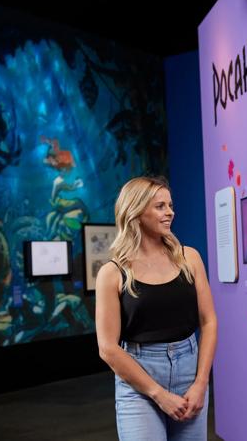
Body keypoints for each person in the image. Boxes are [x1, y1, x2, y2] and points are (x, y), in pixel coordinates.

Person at [95, 176, 217, 441]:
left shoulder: (190, 258)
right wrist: (158, 394)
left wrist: (201, 383)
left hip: (189, 368)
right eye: (160, 206)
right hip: (139, 377)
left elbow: (208, 321)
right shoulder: (112, 273)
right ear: (136, 212)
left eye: (170, 205)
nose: (170, 212)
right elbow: (107, 348)